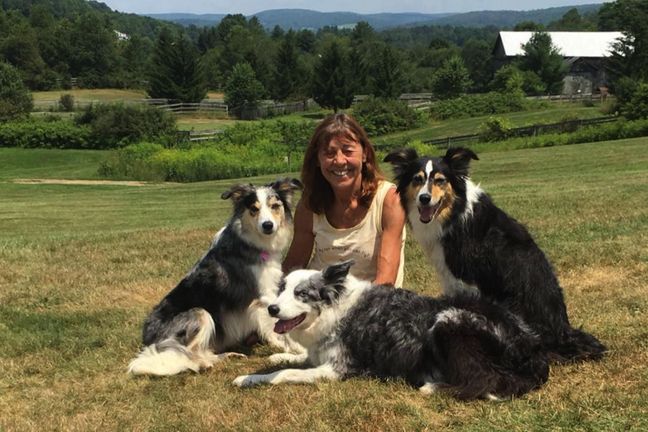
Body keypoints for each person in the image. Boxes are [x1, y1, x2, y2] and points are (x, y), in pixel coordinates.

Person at [283, 113, 406, 287]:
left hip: (373, 300)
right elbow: (293, 267)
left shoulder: (390, 200)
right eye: (329, 153)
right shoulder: (309, 205)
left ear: (365, 154)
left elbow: (385, 282)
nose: (339, 161)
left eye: (348, 151)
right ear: (317, 159)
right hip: (320, 299)